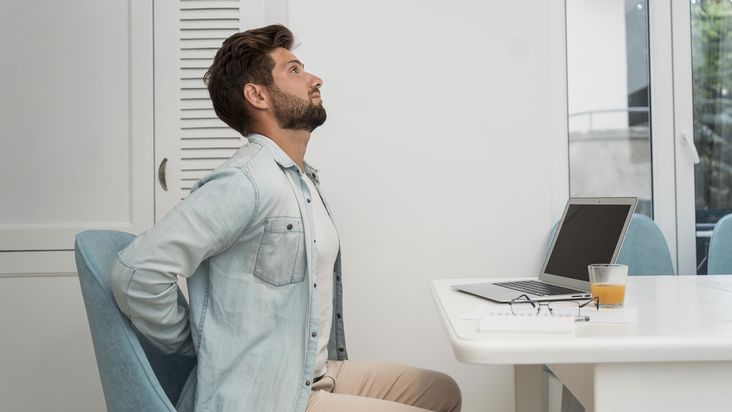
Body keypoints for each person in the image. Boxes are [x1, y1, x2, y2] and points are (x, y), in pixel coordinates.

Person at [109, 24, 461, 412]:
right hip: (266, 395)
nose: (314, 79)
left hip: (312, 373)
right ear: (257, 95)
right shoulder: (246, 181)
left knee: (441, 391)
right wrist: (198, 342)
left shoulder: (299, 178)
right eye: (294, 70)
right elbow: (137, 270)